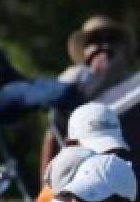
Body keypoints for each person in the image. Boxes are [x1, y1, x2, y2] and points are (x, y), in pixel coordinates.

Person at [38, 15, 131, 180]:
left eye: (111, 39)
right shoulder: (73, 78)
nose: (105, 45)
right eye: (95, 40)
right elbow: (53, 127)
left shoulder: (134, 82)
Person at [30, 101, 131, 202]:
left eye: (113, 151)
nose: (108, 159)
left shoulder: (108, 189)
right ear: (71, 146)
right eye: (98, 152)